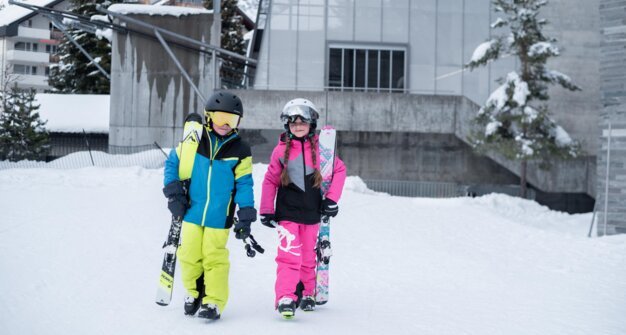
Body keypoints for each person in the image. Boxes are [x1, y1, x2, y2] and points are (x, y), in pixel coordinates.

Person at [162, 91, 256, 320]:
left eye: (231, 120)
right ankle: (193, 293)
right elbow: (172, 164)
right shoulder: (194, 140)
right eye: (220, 118)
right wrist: (174, 195)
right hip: (192, 211)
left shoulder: (240, 150)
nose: (225, 124)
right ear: (208, 116)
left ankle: (213, 301)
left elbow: (244, 183)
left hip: (219, 215)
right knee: (189, 254)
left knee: (214, 258)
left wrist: (246, 211)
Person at [259, 98, 346, 318]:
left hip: (312, 213)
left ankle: (307, 291)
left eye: (302, 122)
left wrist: (331, 199)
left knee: (308, 256)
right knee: (288, 255)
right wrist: (266, 209)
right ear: (287, 125)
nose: (298, 126)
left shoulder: (322, 150)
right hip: (287, 213)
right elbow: (270, 180)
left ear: (311, 125)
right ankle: (286, 297)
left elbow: (339, 171)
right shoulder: (280, 152)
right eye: (293, 122)